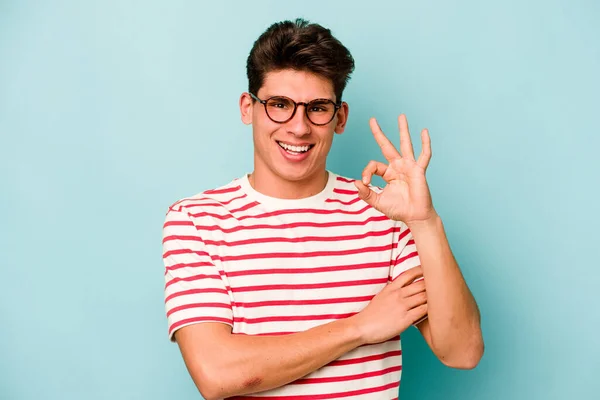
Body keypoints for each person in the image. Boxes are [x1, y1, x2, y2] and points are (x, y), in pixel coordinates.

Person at [162, 18, 483, 400]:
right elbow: (217, 373)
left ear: (340, 118)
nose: (298, 127)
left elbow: (462, 351)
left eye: (316, 108)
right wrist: (359, 327)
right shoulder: (196, 221)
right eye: (279, 105)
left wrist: (424, 222)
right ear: (248, 108)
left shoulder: (383, 212)